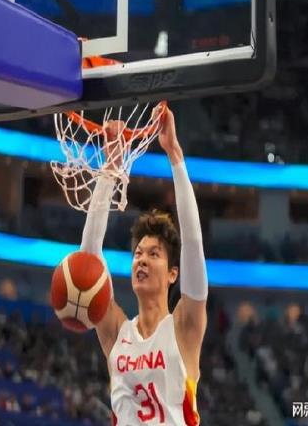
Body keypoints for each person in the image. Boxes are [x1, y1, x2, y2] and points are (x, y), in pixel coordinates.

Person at [80, 107, 208, 425]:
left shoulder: (184, 327)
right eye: (138, 253)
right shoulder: (116, 333)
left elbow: (193, 245)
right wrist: (110, 168)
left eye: (153, 254)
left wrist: (175, 154)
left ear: (173, 273)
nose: (142, 259)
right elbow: (88, 263)